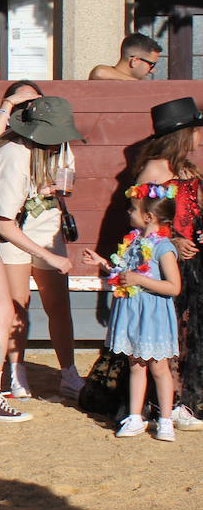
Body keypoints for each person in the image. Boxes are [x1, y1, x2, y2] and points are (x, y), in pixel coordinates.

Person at [0, 96, 86, 405]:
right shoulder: (10, 156)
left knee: (58, 303)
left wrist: (56, 191)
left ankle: (68, 372)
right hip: (13, 231)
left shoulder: (54, 147)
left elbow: (65, 180)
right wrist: (49, 256)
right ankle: (16, 371)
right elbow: (4, 224)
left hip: (44, 221)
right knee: (17, 306)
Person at [82, 187, 181, 441]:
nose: (128, 212)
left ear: (148, 216)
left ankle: (166, 420)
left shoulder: (163, 248)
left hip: (153, 316)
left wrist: (140, 279)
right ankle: (135, 417)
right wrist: (103, 263)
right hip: (133, 313)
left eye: (133, 209)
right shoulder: (133, 241)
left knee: (159, 368)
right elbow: (122, 275)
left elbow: (174, 286)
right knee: (136, 365)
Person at [132, 97, 203, 430]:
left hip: (194, 262)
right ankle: (165, 402)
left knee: (190, 331)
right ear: (182, 134)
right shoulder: (154, 169)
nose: (200, 135)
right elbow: (139, 217)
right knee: (166, 329)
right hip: (164, 260)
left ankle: (184, 399)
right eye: (196, 129)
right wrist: (171, 240)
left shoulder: (188, 168)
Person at [88, 33, 162, 81]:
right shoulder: (105, 77)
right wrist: (135, 82)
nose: (152, 70)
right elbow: (99, 72)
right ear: (135, 61)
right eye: (151, 65)